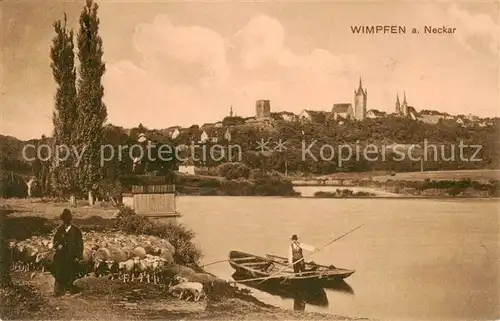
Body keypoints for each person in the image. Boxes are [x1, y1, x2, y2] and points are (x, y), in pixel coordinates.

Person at [52, 209, 84, 296]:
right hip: (61, 255)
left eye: (67, 222)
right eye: (64, 222)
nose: (65, 224)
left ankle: (69, 289)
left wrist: (78, 256)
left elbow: (80, 244)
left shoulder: (76, 231)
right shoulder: (60, 230)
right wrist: (57, 245)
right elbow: (55, 241)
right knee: (59, 271)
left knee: (70, 272)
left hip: (71, 255)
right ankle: (58, 290)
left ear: (70, 221)